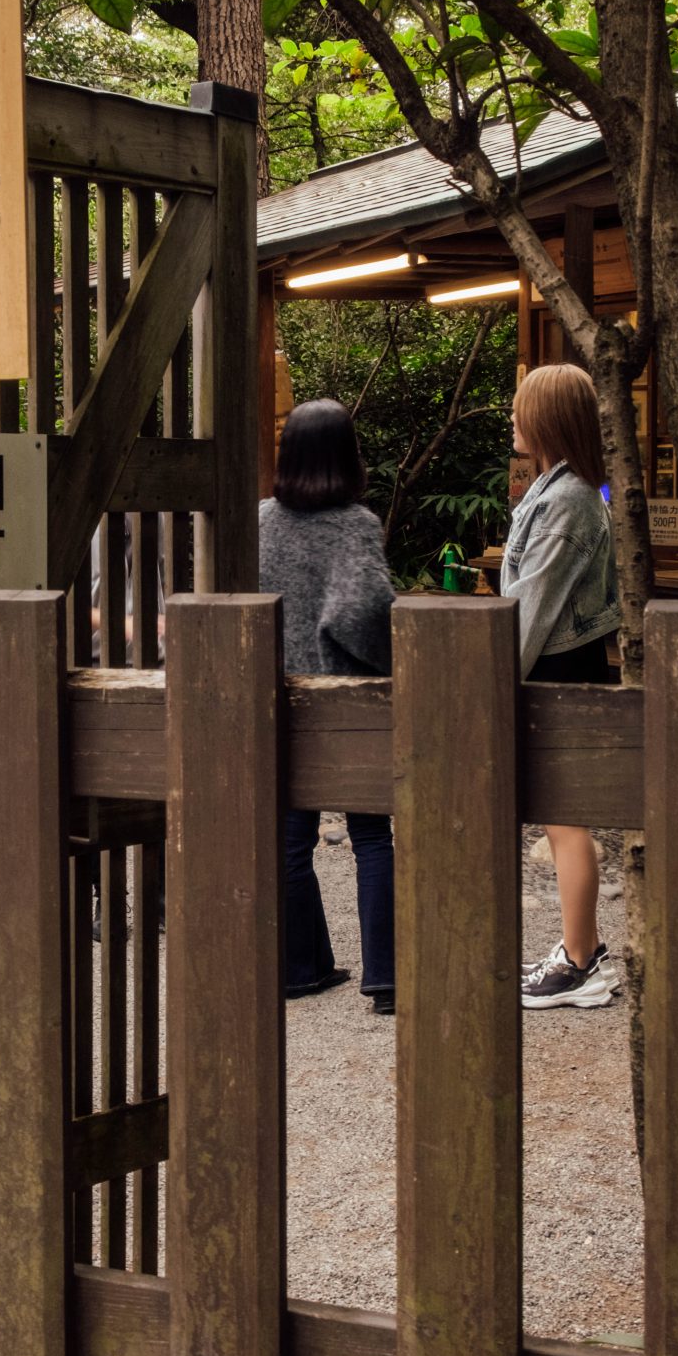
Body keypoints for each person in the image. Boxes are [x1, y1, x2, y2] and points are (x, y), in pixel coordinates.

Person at [258, 399, 397, 1013]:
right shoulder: (355, 524)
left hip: (275, 696)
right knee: (371, 836)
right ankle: (386, 977)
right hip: (345, 699)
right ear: (349, 457)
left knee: (290, 839)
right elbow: (362, 611)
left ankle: (300, 967)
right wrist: (388, 659)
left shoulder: (260, 520)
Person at [501, 363, 621, 1013]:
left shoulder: (569, 499)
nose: (513, 420)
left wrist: (491, 681)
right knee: (561, 822)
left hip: (554, 669)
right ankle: (581, 949)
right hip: (556, 665)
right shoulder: (560, 487)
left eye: (522, 409)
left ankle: (582, 962)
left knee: (565, 823)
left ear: (547, 418)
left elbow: (528, 611)